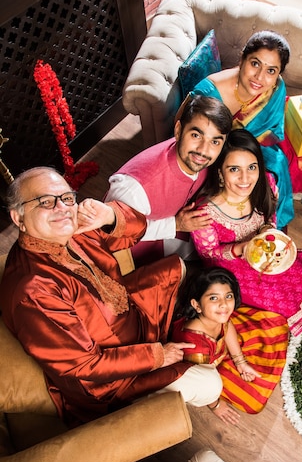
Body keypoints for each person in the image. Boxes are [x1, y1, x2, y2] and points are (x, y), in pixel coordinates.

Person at [0, 167, 222, 426]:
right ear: (18, 217)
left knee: (179, 269)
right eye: (46, 202)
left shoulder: (73, 230)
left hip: (131, 317)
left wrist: (109, 214)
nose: (62, 208)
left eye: (67, 198)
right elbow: (86, 367)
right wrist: (159, 355)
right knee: (211, 385)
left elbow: (135, 231)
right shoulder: (33, 292)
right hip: (110, 380)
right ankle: (134, 406)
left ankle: (168, 343)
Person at [190, 129, 302, 336]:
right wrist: (239, 249)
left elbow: (270, 215)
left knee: (299, 280)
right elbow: (208, 253)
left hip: (263, 249)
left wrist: (267, 229)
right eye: (234, 169)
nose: (245, 179)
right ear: (220, 172)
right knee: (276, 305)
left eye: (252, 167)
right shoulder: (205, 213)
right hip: (231, 264)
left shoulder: (266, 182)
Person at [105, 94, 233, 265]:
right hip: (131, 260)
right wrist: (175, 225)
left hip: (181, 245)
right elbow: (112, 232)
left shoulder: (207, 160)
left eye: (215, 142)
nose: (204, 150)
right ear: (179, 131)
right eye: (196, 135)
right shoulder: (135, 188)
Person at [192, 30, 295, 229]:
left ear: (278, 74)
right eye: (255, 64)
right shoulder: (209, 92)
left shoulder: (276, 88)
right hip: (213, 152)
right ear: (242, 59)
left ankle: (272, 224)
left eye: (271, 71)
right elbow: (191, 135)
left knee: (277, 162)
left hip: (253, 143)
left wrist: (249, 152)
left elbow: (272, 128)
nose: (259, 77)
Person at [171, 267, 261, 425]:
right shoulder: (195, 347)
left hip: (215, 356)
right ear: (196, 305)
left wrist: (241, 362)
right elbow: (200, 383)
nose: (224, 304)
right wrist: (215, 405)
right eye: (214, 298)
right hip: (200, 369)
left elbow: (227, 324)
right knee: (254, 400)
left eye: (228, 296)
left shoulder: (216, 316)